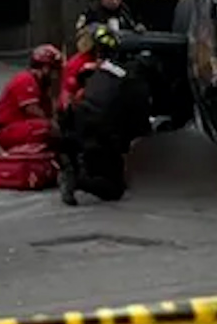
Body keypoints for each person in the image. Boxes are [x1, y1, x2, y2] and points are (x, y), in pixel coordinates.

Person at [58, 26, 152, 206]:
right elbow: (137, 119)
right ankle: (77, 179)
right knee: (115, 190)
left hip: (78, 126)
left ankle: (76, 170)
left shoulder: (91, 69)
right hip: (100, 131)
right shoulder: (128, 76)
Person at [0, 45, 63, 152]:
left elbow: (51, 112)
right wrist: (56, 127)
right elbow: (32, 110)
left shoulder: (42, 87)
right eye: (54, 70)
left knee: (52, 129)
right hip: (7, 129)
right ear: (45, 68)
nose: (56, 75)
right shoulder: (26, 79)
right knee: (46, 128)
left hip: (21, 126)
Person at [75, 0, 144, 38]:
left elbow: (132, 26)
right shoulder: (92, 10)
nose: (115, 2)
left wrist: (138, 29)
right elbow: (79, 32)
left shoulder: (124, 10)